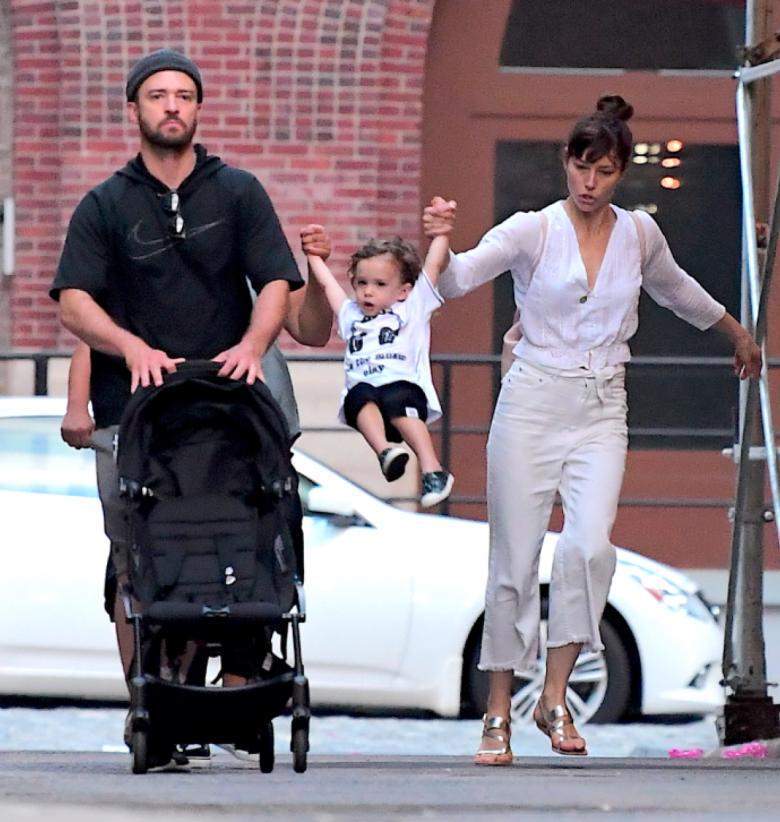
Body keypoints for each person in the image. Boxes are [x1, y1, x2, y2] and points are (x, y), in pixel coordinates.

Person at [423, 95, 762, 764]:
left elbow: (676, 288)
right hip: (531, 400)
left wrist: (736, 332)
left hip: (603, 403)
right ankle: (497, 711)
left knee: (588, 548)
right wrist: (436, 239)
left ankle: (554, 697)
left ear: (621, 173)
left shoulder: (639, 234)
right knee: (514, 561)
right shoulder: (532, 229)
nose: (589, 182)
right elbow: (460, 277)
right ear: (566, 163)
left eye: (604, 172)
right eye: (582, 167)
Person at [50, 49, 333, 709]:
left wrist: (252, 346)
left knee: (246, 536)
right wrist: (131, 348)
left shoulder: (238, 191)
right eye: (158, 96)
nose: (172, 106)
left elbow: (276, 283)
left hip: (227, 410)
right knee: (135, 555)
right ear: (134, 109)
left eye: (183, 95)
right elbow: (75, 302)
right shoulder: (105, 204)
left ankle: (240, 678)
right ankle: (148, 701)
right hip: (132, 414)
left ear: (199, 107)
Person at [305, 227, 456, 508]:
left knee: (397, 395)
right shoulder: (350, 314)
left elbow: (434, 265)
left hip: (403, 390)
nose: (368, 291)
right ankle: (385, 451)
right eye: (361, 283)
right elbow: (327, 285)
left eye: (379, 284)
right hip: (368, 400)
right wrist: (313, 256)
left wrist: (441, 234)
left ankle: (433, 470)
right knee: (357, 395)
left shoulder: (411, 308)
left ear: (403, 291)